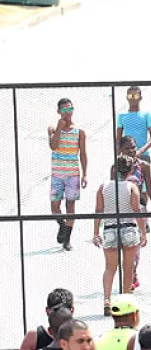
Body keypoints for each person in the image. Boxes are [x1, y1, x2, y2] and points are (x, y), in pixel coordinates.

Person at [47, 98, 87, 252]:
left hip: (73, 174)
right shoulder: (52, 128)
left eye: (70, 109)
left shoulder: (79, 131)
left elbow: (83, 153)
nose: (67, 112)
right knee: (54, 206)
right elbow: (53, 146)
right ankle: (62, 225)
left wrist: (85, 174)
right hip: (57, 173)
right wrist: (59, 128)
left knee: (70, 205)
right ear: (59, 111)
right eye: (64, 109)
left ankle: (67, 239)